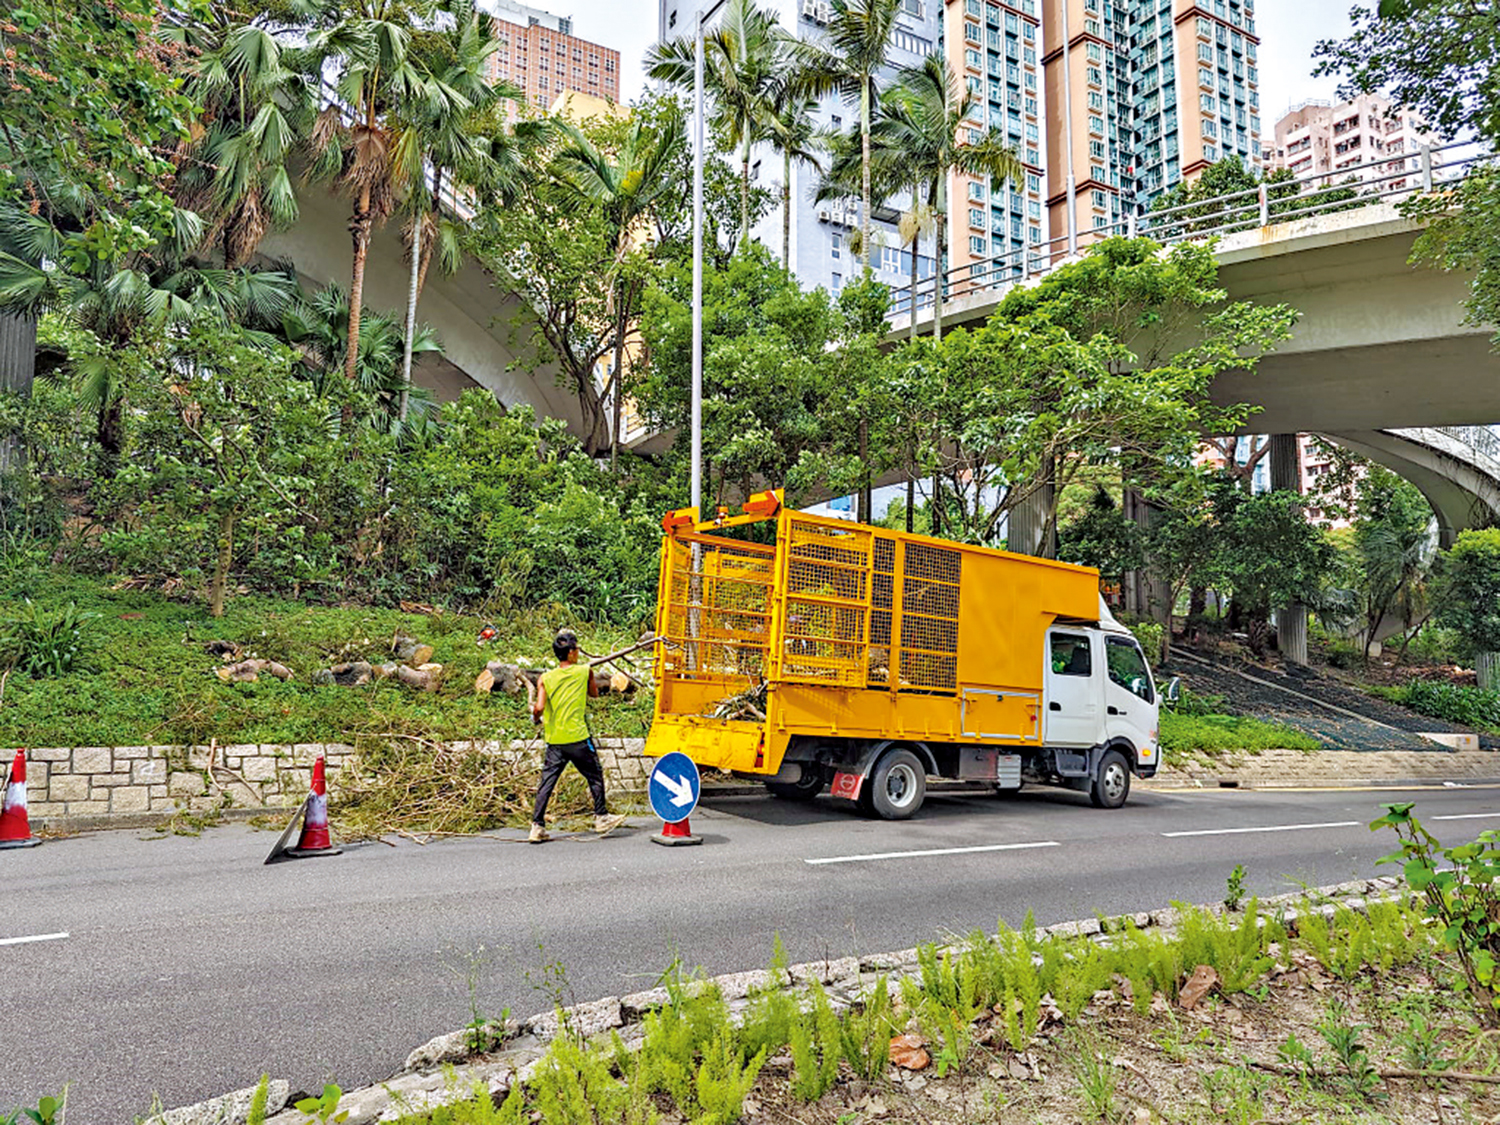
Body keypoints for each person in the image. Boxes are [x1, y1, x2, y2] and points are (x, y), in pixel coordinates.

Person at [529, 629, 624, 842]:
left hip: (555, 741)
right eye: (577, 649)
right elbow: (594, 693)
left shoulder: (545, 678)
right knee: (595, 775)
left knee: (547, 782)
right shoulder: (585, 671)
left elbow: (539, 708)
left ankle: (536, 827)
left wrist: (535, 717)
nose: (578, 652)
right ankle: (601, 817)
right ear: (571, 653)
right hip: (578, 738)